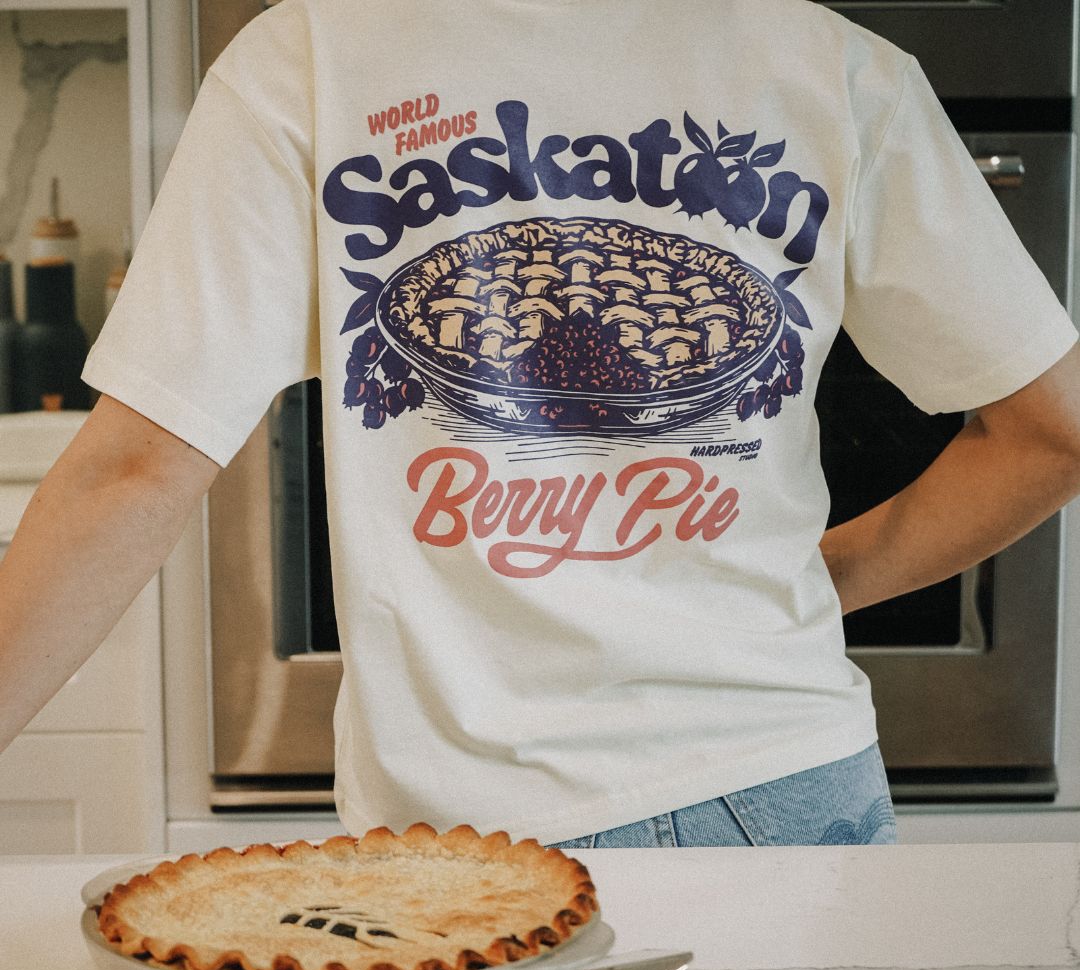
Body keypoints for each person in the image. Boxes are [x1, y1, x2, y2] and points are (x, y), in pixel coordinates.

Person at [2, 0, 1080, 849]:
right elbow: (1056, 432)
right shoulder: (838, 66)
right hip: (784, 776)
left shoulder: (308, 58)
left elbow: (135, 472)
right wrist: (809, 585)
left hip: (475, 834)